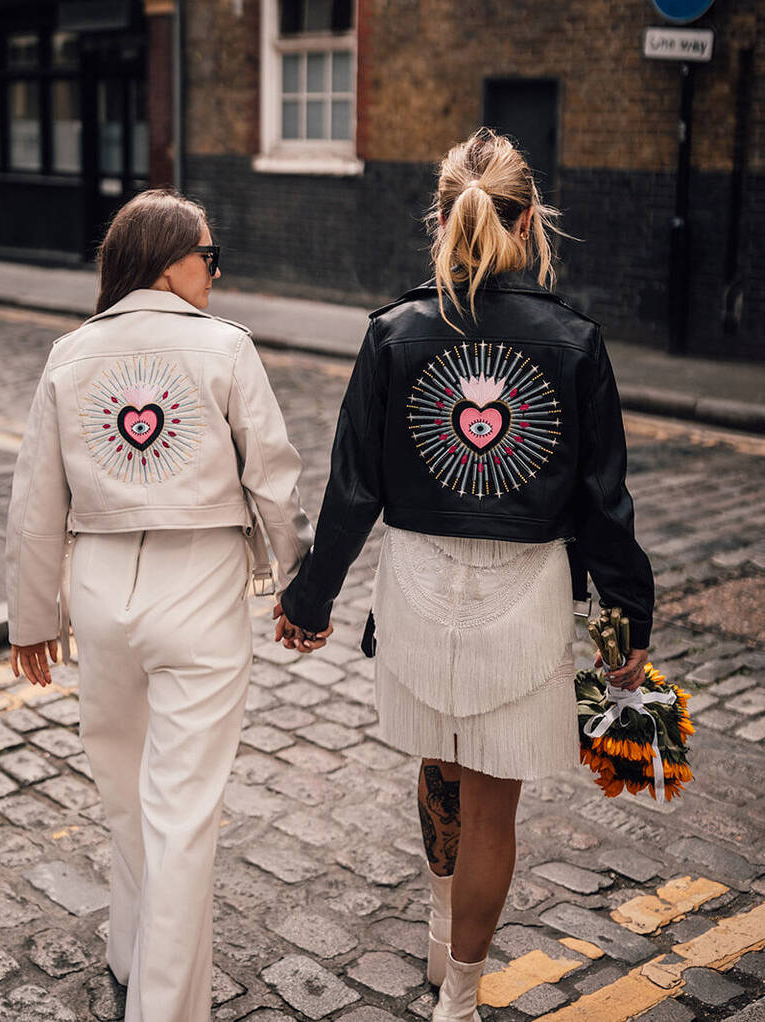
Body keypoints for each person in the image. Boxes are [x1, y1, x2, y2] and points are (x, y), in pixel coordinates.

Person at [275, 128, 654, 1022]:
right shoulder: (573, 343)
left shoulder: (393, 334)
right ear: (530, 223)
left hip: (415, 587)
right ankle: (462, 996)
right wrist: (625, 628)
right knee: (492, 810)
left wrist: (309, 599)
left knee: (439, 767)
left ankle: (439, 929)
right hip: (523, 598)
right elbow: (605, 507)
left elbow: (353, 489)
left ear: (441, 219)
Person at [5, 188, 313, 1022]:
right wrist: (300, 586)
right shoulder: (225, 349)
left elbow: (35, 500)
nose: (216, 272)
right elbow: (274, 481)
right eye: (209, 257)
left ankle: (128, 947)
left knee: (124, 787)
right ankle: (165, 1009)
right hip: (200, 589)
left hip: (101, 592)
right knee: (182, 811)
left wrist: (33, 619)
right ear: (169, 261)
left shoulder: (70, 355)